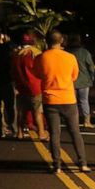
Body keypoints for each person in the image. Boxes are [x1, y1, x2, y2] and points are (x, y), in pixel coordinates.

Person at [32, 30, 88, 173]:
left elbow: (37, 74)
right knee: (75, 131)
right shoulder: (70, 57)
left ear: (46, 41)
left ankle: (57, 164)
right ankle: (83, 163)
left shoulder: (41, 57)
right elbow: (74, 76)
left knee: (54, 133)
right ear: (61, 40)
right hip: (68, 98)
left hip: (50, 99)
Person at [11, 32, 47, 141]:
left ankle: (20, 133)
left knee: (21, 111)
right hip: (35, 86)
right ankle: (41, 133)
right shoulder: (36, 53)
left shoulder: (16, 54)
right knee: (37, 111)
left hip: (20, 86)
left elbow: (12, 72)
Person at [65, 33, 95, 128]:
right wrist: (92, 78)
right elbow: (91, 67)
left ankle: (73, 121)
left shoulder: (67, 53)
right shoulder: (85, 52)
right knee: (84, 101)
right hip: (84, 80)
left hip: (71, 81)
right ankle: (87, 121)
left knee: (72, 102)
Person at [0, 31, 14, 138]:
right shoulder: (6, 48)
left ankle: (1, 130)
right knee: (10, 106)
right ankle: (12, 128)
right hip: (6, 81)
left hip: (4, 81)